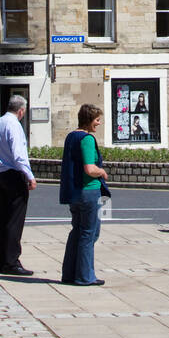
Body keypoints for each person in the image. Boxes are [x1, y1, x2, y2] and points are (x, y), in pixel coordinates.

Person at [0, 95, 35, 276]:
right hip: (14, 175)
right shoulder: (14, 126)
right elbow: (19, 154)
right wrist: (29, 175)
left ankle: (1, 261)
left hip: (0, 174)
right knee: (14, 220)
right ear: (21, 111)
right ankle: (12, 262)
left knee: (3, 218)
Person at [60, 104, 110, 286]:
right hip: (89, 191)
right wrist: (102, 172)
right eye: (97, 119)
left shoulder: (71, 136)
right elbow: (89, 168)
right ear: (89, 120)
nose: (99, 123)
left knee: (77, 231)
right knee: (90, 234)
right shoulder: (87, 139)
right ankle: (85, 276)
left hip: (74, 193)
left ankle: (70, 273)